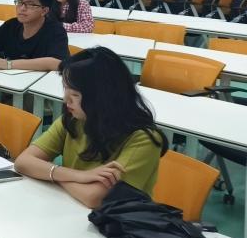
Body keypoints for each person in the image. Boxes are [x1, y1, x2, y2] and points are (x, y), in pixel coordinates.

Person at [15, 47, 168, 208]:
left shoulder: (143, 139)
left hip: (114, 220)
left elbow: (94, 198)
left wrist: (53, 175)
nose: (66, 99)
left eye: (75, 94)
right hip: (69, 208)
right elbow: (23, 162)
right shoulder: (73, 119)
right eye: (65, 89)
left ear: (102, 96)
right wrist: (79, 176)